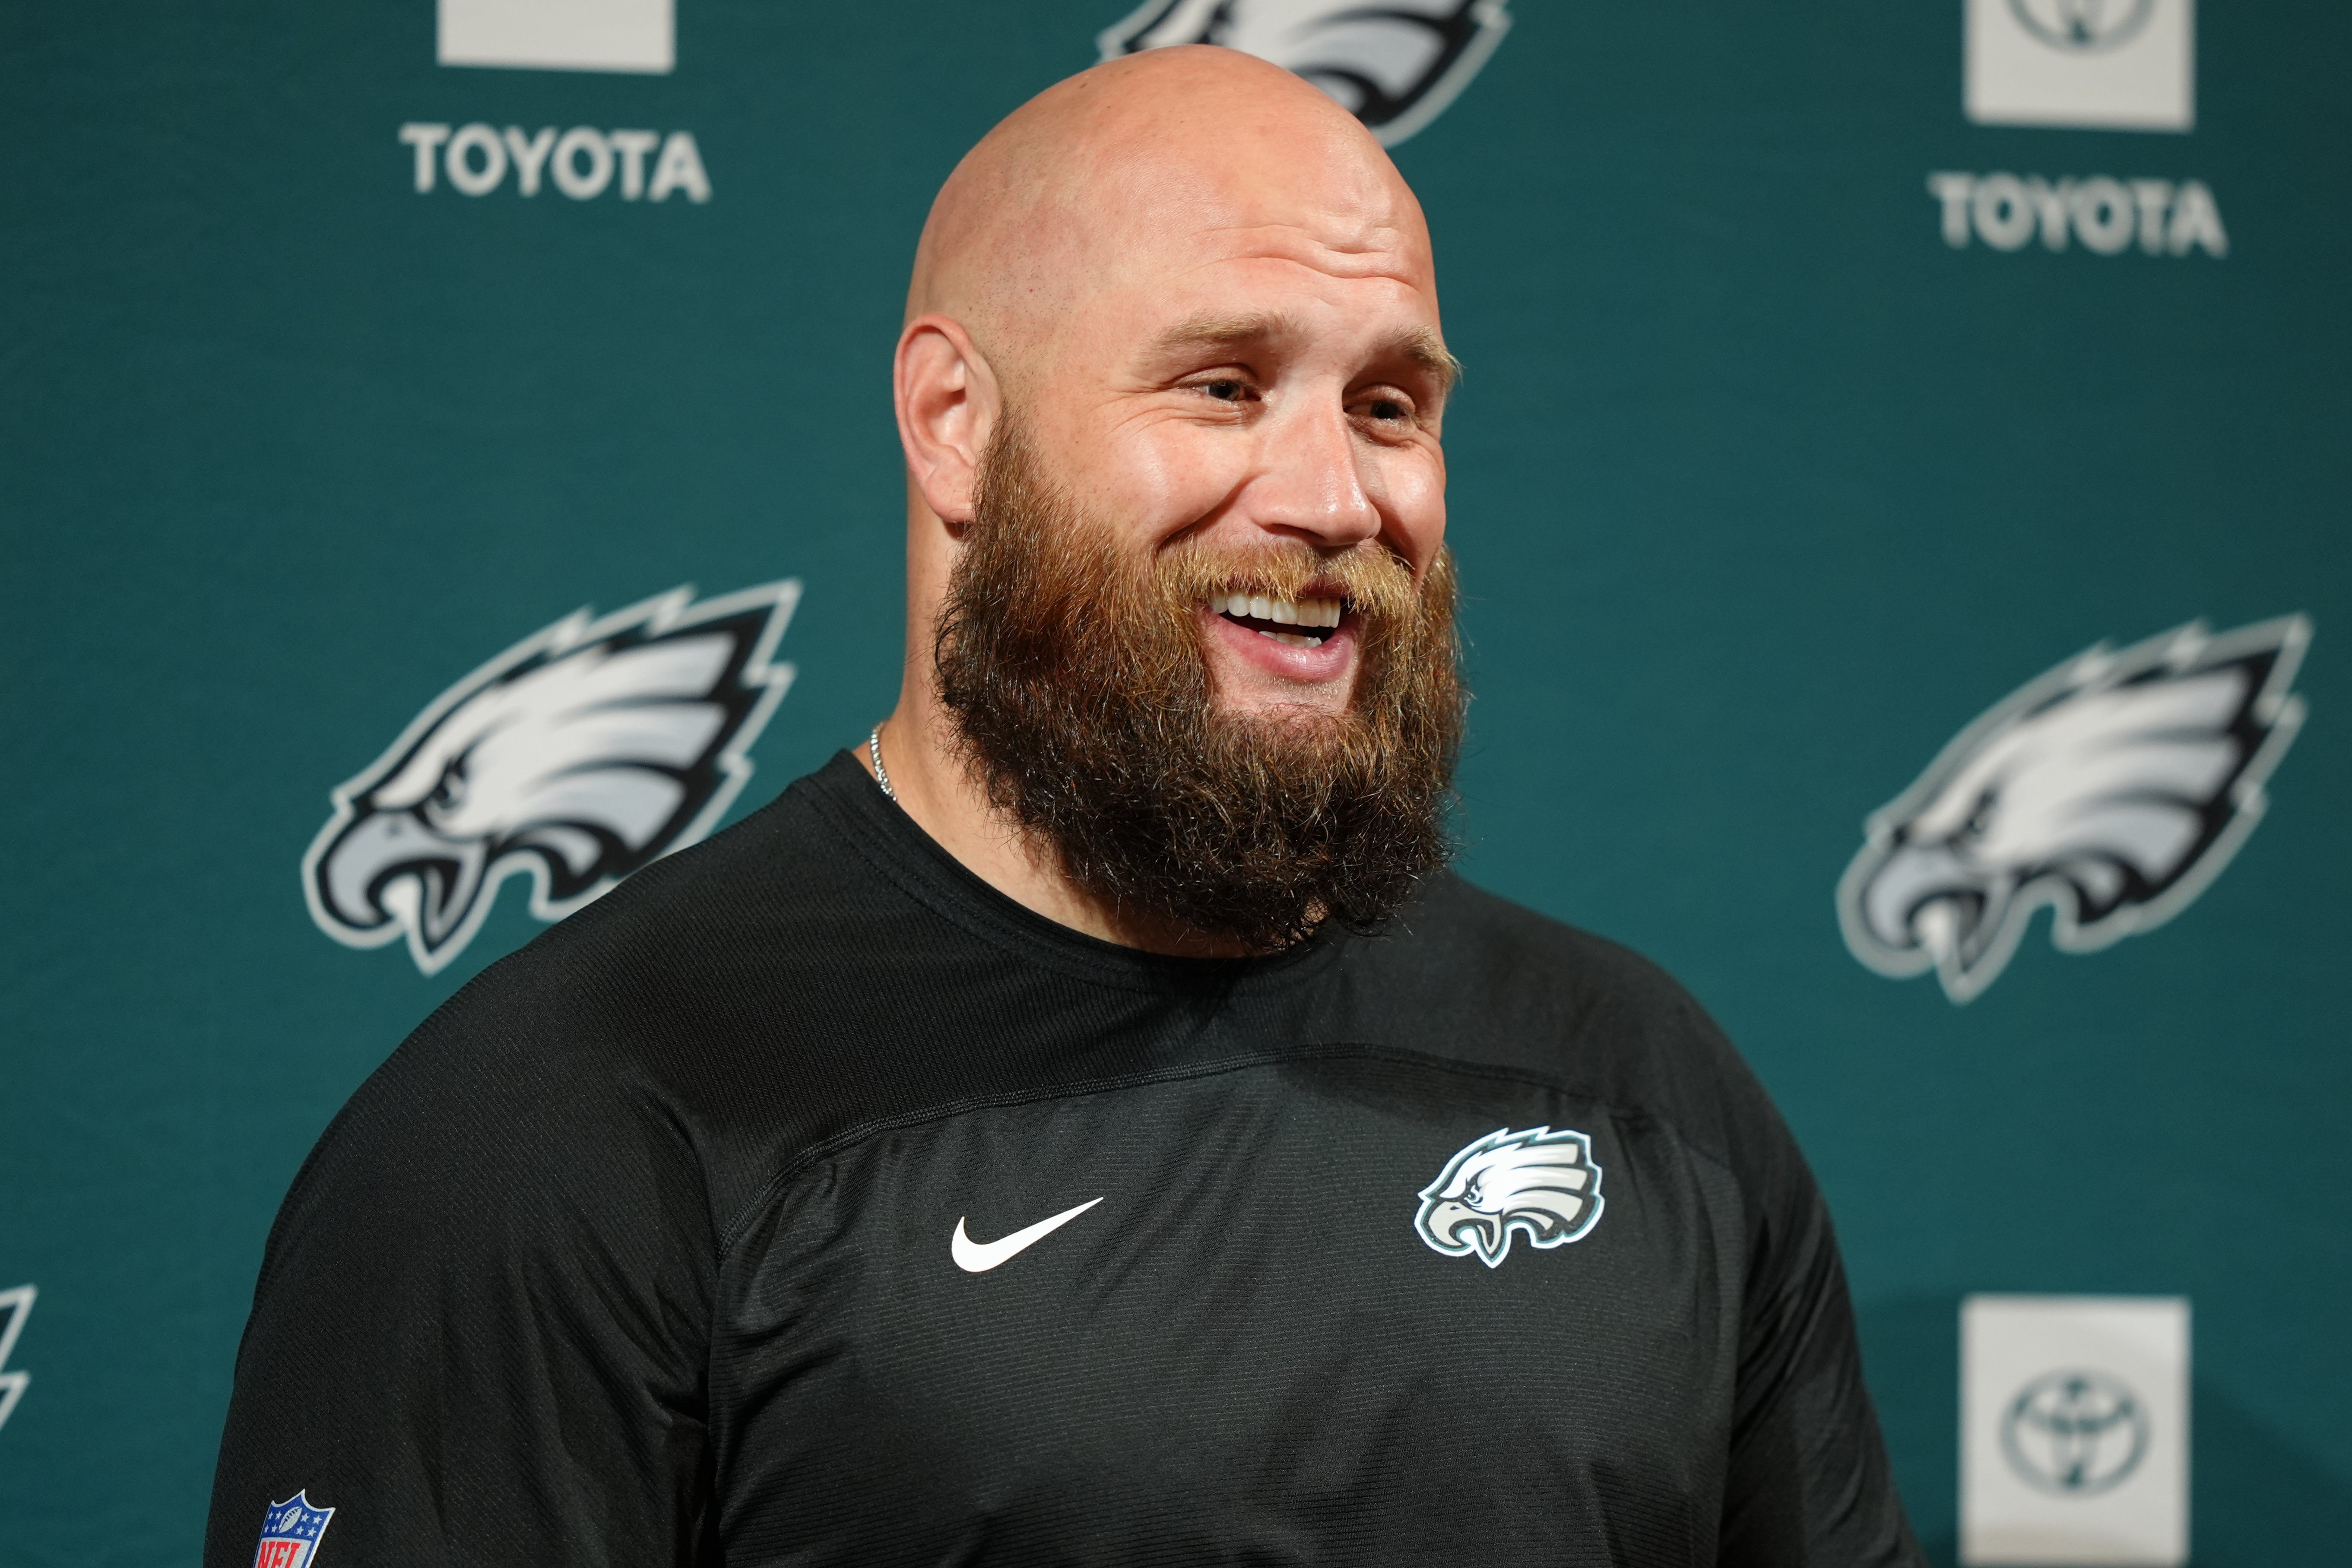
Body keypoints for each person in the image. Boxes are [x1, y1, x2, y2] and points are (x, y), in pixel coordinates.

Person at [208, 46, 1922, 1567]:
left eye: (1389, 405)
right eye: (1223, 384)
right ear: (957, 425)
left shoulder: (1640, 1081)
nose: (1334, 496)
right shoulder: (573, 1125)